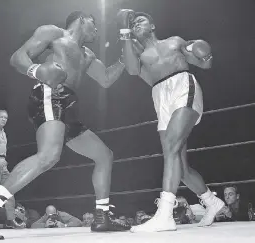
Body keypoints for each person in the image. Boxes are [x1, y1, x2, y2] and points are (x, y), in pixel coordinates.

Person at [0, 11, 130, 240]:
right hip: (49, 94)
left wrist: (125, 58)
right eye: (94, 22)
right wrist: (37, 70)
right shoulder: (54, 33)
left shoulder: (88, 55)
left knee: (104, 155)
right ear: (82, 19)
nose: (97, 28)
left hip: (70, 105)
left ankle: (102, 217)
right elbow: (18, 57)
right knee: (48, 156)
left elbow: (105, 78)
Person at [116, 9, 225, 232]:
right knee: (181, 168)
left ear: (153, 25)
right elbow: (131, 69)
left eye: (141, 20)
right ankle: (212, 202)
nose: (136, 23)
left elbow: (204, 63)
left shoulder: (174, 42)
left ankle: (165, 214)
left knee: (171, 148)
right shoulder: (138, 52)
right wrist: (124, 30)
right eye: (133, 23)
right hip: (160, 96)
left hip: (183, 87)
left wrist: (205, 54)